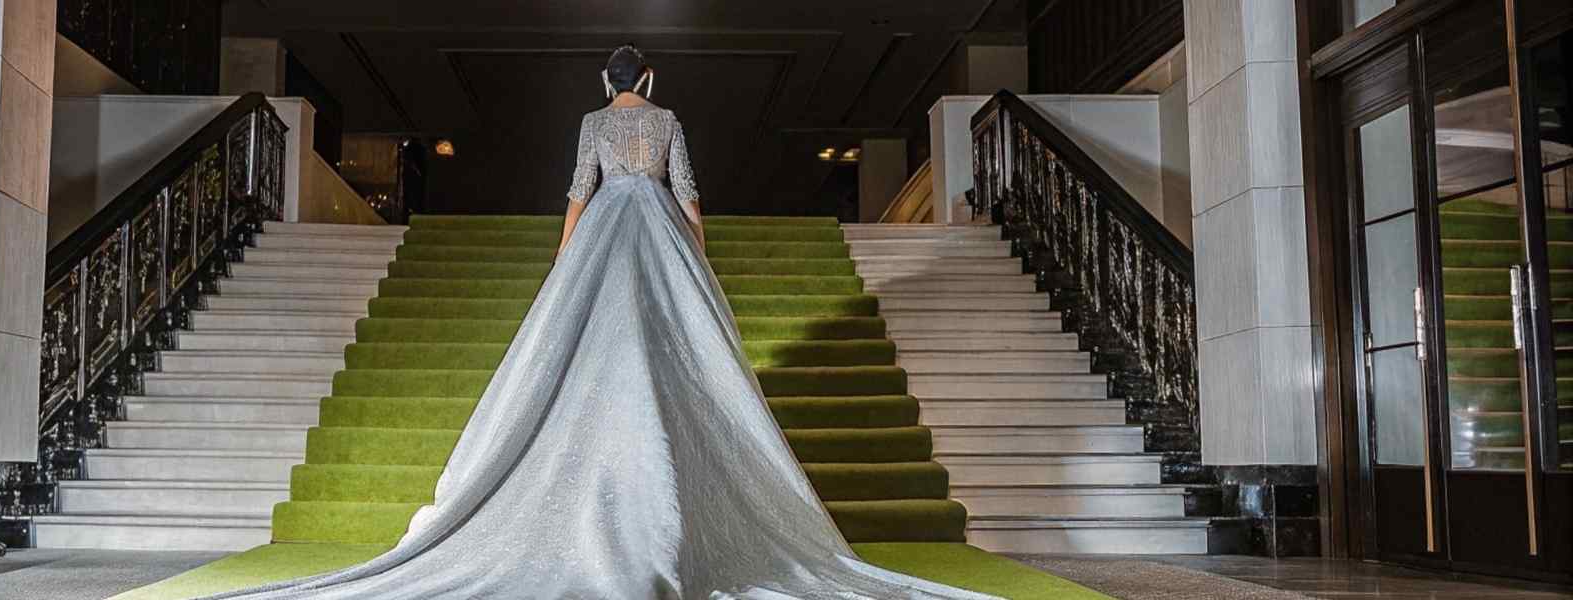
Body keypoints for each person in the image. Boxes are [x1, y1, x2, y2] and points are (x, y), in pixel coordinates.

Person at [207, 45, 997, 600]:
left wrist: (564, 262)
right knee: (668, 347)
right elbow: (688, 191)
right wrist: (699, 258)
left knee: (592, 343)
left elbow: (577, 191)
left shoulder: (591, 123)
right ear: (646, 79)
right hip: (655, 224)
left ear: (605, 79)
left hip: (606, 228)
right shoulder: (669, 118)